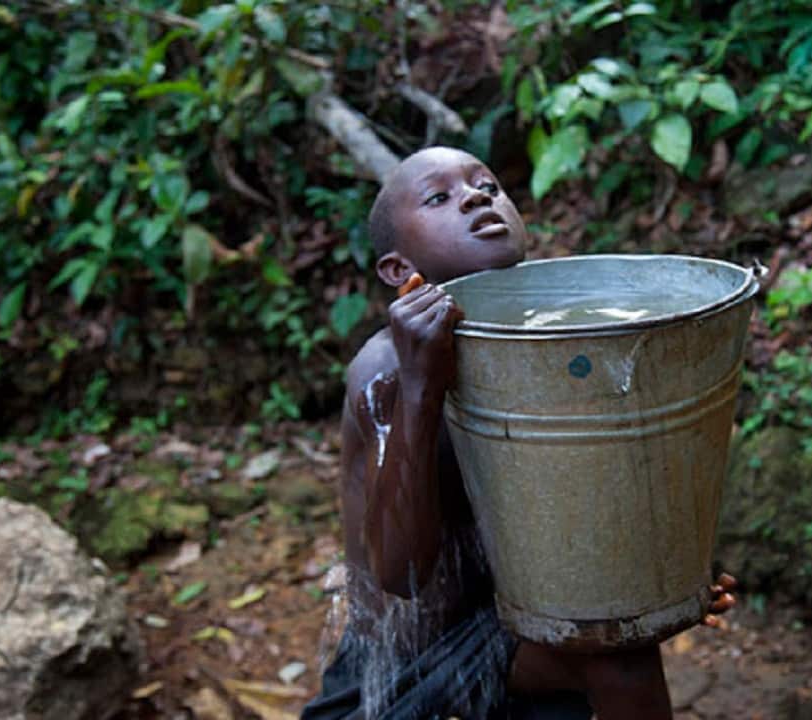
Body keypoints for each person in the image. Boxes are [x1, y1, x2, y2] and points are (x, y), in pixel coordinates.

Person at [302, 146, 737, 720]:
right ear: (396, 270)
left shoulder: (532, 343)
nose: (477, 197)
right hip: (407, 661)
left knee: (625, 648)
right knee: (620, 665)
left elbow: (582, 496)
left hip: (511, 616)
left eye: (487, 184)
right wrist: (419, 387)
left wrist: (666, 580)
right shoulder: (385, 369)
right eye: (440, 198)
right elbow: (401, 576)